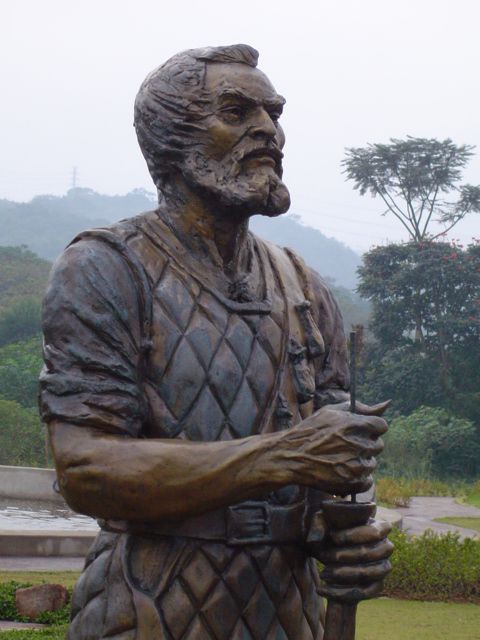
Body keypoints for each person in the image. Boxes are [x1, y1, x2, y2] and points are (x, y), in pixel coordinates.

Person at [40, 44, 393, 640]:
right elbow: (85, 467)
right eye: (237, 112)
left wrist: (345, 534)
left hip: (286, 614)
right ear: (170, 139)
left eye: (274, 114)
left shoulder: (304, 285)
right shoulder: (106, 269)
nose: (268, 131)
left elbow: (338, 461)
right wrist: (281, 456)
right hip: (147, 610)